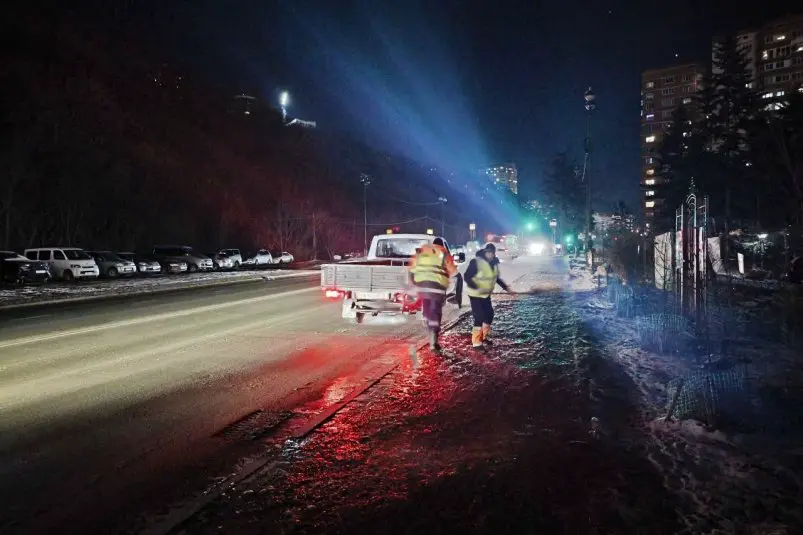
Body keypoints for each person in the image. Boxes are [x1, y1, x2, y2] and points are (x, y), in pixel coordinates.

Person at [408, 237, 458, 351]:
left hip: (423, 287)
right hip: (437, 287)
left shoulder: (422, 251)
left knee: (427, 307)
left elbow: (411, 270)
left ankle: (427, 321)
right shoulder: (444, 253)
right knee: (436, 312)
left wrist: (414, 283)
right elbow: (454, 272)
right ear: (442, 245)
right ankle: (433, 341)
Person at [463, 242, 511, 350]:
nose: (490, 254)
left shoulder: (494, 264)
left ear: (494, 253)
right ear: (485, 252)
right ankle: (476, 343)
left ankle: (482, 337)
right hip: (475, 294)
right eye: (488, 252)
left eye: (492, 253)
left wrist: (507, 288)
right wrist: (476, 286)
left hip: (486, 295)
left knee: (489, 315)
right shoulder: (476, 262)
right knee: (479, 316)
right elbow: (467, 276)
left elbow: (496, 278)